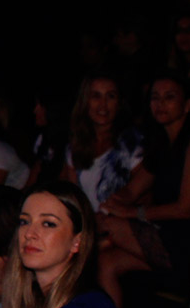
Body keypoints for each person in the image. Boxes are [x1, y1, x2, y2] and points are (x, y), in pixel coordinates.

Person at [98, 71, 190, 308]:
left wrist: (131, 213)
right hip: (163, 240)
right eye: (155, 97)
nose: (160, 103)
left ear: (188, 105)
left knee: (109, 227)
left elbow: (186, 209)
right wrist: (110, 205)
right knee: (106, 262)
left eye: (169, 97)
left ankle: (72, 251)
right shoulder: (161, 144)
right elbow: (131, 191)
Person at [2, 181, 126, 308]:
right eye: (24, 221)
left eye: (48, 224)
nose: (29, 233)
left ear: (77, 242)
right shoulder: (34, 302)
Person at [61, 72, 143, 211]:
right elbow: (73, 197)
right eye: (96, 96)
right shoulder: (75, 145)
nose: (103, 105)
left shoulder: (133, 144)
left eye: (110, 96)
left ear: (119, 103)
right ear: (85, 101)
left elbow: (143, 198)